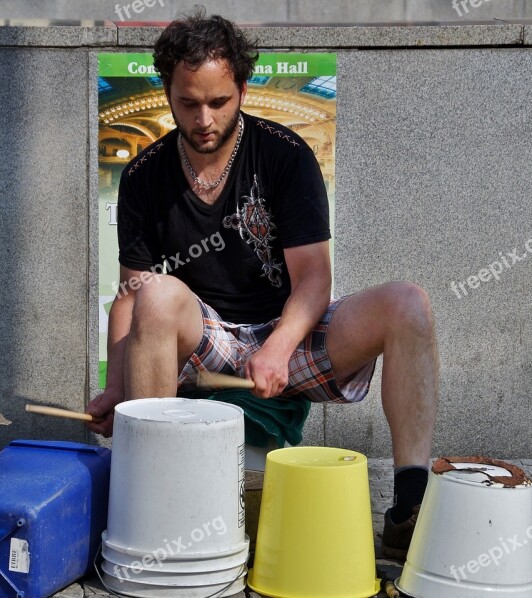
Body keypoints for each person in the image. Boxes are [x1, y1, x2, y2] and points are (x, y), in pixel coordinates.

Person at [86, 9, 439, 560]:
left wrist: (277, 349)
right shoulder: (142, 176)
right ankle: (157, 503)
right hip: (203, 340)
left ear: (242, 89)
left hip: (288, 333)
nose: (204, 117)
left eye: (219, 101)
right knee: (153, 294)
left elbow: (314, 281)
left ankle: (409, 507)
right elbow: (129, 297)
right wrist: (117, 388)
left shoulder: (285, 155)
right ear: (168, 92)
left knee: (408, 305)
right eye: (189, 102)